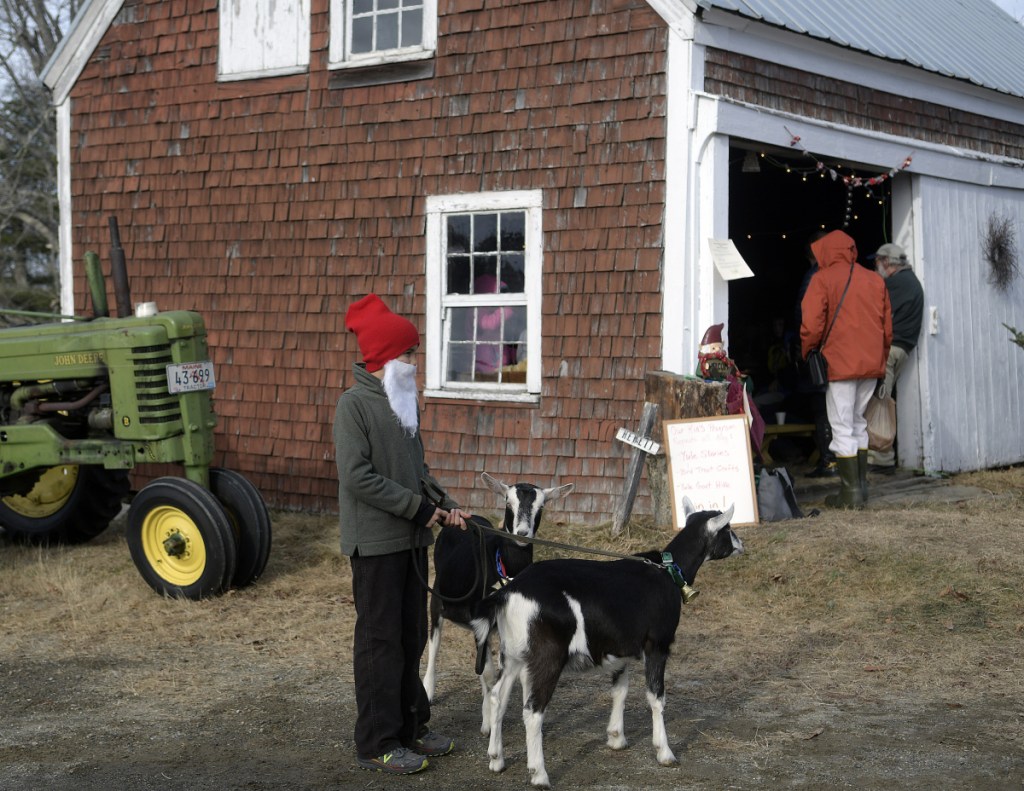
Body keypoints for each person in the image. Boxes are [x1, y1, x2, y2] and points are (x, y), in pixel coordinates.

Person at [334, 294, 471, 775]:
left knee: (411, 637)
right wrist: (419, 509)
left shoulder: (402, 401)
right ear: (387, 359)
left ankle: (412, 727)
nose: (416, 363)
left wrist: (447, 504)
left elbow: (418, 471)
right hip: (374, 546)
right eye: (410, 355)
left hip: (412, 542)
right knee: (380, 643)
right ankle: (377, 742)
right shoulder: (353, 407)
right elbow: (358, 477)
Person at [800, 230, 892, 508]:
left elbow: (812, 325)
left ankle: (850, 494)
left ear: (825, 251)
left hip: (840, 362)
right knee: (858, 423)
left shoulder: (822, 279)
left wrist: (808, 351)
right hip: (870, 364)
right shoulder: (875, 280)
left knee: (840, 425)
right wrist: (882, 359)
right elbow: (888, 329)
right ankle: (861, 489)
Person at [867, 243, 924, 473]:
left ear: (887, 262)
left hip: (890, 350)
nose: (876, 267)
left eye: (877, 262)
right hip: (903, 348)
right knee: (883, 398)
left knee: (880, 401)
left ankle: (882, 459)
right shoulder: (911, 282)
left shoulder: (894, 284)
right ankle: (881, 455)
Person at [794, 230, 838, 477]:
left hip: (819, 350)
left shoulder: (814, 277)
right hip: (835, 349)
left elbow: (804, 315)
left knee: (821, 405)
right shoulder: (837, 276)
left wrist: (805, 347)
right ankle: (837, 460)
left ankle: (828, 460)